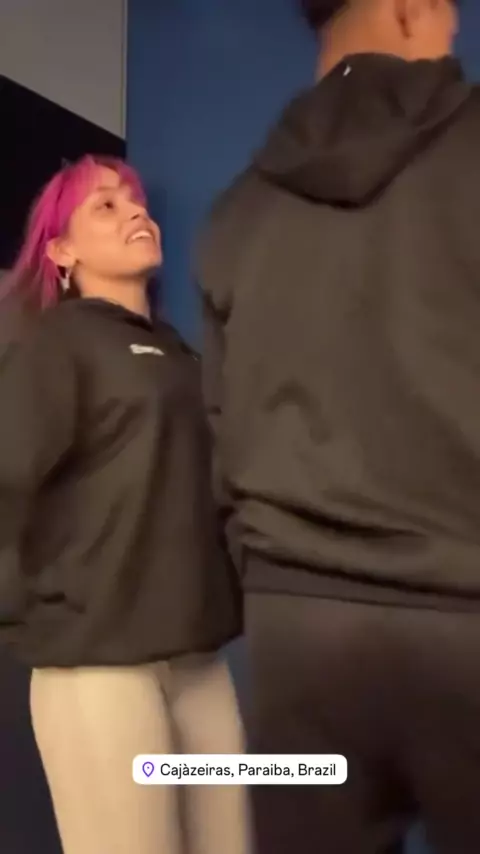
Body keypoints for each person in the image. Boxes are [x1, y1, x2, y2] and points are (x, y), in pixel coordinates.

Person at [196, 0, 480, 852]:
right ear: (410, 8)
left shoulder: (237, 210)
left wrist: (271, 574)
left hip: (298, 637)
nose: (455, 31)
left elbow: (223, 427)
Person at [0, 155, 249, 854]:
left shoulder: (181, 357)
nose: (136, 211)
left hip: (197, 661)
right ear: (62, 252)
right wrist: (42, 609)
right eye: (105, 206)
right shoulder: (55, 344)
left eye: (135, 199)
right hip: (98, 668)